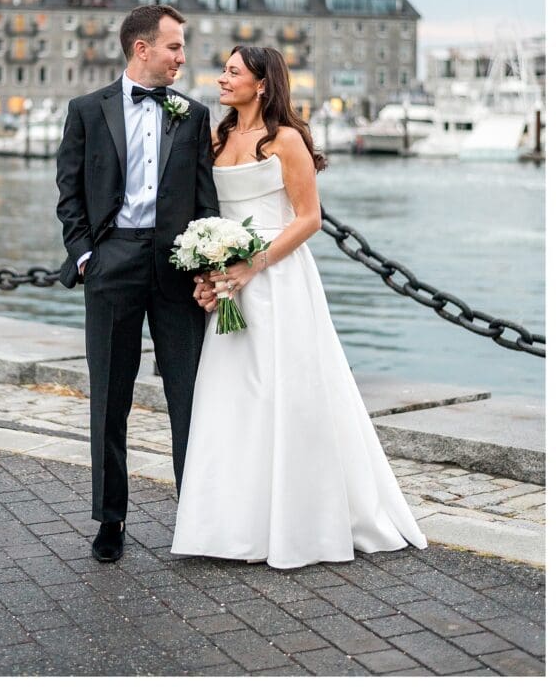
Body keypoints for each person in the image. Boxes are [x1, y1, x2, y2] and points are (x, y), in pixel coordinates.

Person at [172, 45, 427, 568]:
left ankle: (300, 520)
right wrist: (212, 269)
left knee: (287, 392)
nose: (222, 78)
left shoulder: (287, 140)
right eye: (224, 70)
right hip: (230, 279)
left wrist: (253, 264)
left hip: (278, 278)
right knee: (233, 396)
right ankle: (230, 524)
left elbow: (308, 218)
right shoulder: (216, 138)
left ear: (262, 84)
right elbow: (209, 212)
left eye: (233, 71)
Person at [56, 5, 219, 563]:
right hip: (112, 260)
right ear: (141, 49)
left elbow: (204, 198)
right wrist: (85, 256)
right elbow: (69, 193)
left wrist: (206, 264)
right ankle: (110, 519)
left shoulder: (193, 115)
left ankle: (196, 516)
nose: (182, 56)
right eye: (174, 46)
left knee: (189, 395)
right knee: (110, 396)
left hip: (176, 265)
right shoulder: (86, 110)